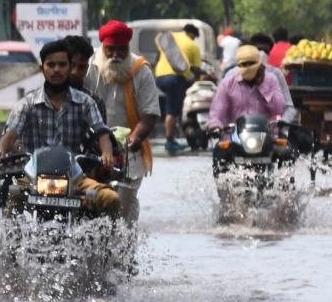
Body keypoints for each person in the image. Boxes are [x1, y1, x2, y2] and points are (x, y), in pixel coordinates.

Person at [0, 40, 119, 218]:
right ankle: (11, 243)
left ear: (69, 68)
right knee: (12, 193)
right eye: (51, 65)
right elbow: (11, 133)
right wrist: (0, 150)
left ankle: (108, 244)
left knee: (110, 198)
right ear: (42, 68)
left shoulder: (86, 102)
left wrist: (107, 153)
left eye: (62, 64)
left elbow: (101, 131)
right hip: (32, 178)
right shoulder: (27, 103)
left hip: (76, 178)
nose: (56, 70)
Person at [85, 20, 160, 222]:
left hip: (127, 152)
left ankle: (124, 245)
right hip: (89, 149)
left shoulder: (140, 70)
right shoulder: (88, 66)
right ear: (102, 47)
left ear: (128, 47)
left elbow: (150, 113)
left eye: (121, 50)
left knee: (123, 210)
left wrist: (135, 138)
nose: (116, 55)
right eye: (110, 50)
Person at [207, 45, 286, 133]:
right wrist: (215, 126)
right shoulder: (228, 84)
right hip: (236, 137)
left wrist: (262, 85)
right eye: (244, 64)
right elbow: (217, 111)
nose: (248, 67)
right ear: (238, 65)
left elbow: (279, 108)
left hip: (264, 136)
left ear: (259, 64)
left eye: (251, 63)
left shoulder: (271, 80)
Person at [154, 24, 202, 153]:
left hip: (159, 77)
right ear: (192, 34)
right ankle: (170, 140)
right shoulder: (193, 46)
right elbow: (197, 70)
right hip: (175, 78)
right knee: (172, 110)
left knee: (170, 106)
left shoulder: (171, 37)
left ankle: (171, 134)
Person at [225, 37, 297, 123]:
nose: (262, 53)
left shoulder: (276, 74)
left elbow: (289, 107)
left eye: (265, 51)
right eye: (258, 49)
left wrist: (282, 122)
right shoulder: (232, 74)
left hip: (268, 129)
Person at [62, 34, 107, 121]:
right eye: (71, 65)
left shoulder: (95, 103)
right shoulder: (38, 102)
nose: (75, 72)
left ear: (87, 68)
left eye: (81, 67)